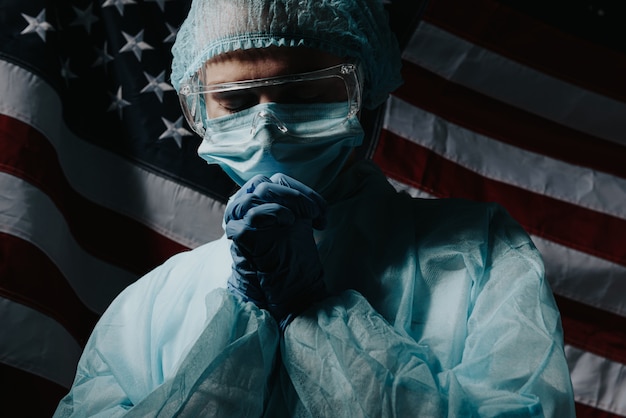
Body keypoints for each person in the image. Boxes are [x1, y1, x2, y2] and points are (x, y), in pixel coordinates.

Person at [54, 0, 576, 416]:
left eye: (301, 93)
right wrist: (240, 319)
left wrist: (316, 314)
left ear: (364, 86)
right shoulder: (150, 304)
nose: (266, 127)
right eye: (234, 103)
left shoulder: (478, 253)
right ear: (198, 107)